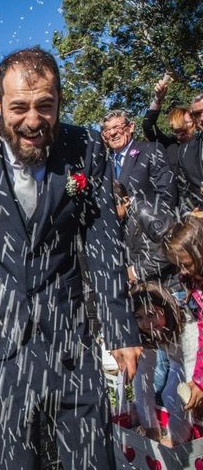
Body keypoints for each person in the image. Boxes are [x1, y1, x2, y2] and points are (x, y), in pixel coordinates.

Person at [0, 46, 142, 469]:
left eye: (45, 106)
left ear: (59, 101)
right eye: (19, 107)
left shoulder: (86, 146)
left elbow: (104, 241)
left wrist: (121, 326)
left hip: (71, 342)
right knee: (12, 460)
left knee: (91, 459)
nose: (33, 121)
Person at [130, 281, 197, 446]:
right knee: (169, 394)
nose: (146, 324)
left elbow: (190, 387)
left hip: (196, 363)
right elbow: (143, 379)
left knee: (177, 397)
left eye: (151, 314)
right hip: (179, 361)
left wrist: (174, 440)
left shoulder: (188, 327)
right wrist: (150, 426)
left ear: (166, 308)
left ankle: (180, 441)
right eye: (138, 317)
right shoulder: (148, 333)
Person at [163, 214, 203, 412]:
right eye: (179, 265)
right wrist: (198, 379)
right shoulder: (195, 282)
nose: (183, 272)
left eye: (186, 264)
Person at [101, 109, 176, 212]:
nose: (112, 133)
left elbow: (167, 194)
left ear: (131, 127)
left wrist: (155, 223)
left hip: (149, 224)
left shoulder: (151, 150)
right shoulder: (104, 162)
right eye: (107, 130)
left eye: (117, 127)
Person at [112, 180, 176, 285]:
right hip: (152, 283)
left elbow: (172, 246)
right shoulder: (124, 219)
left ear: (126, 201)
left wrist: (136, 271)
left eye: (113, 209)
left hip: (168, 283)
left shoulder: (145, 212)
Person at [142, 76, 195, 151]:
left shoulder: (199, 144)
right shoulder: (169, 144)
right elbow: (148, 125)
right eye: (178, 126)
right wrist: (158, 99)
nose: (183, 128)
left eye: (187, 123)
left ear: (195, 123)